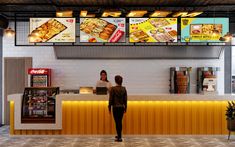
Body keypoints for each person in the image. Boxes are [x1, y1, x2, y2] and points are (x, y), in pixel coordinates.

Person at [108, 75, 127, 142]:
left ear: (116, 81)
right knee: (120, 121)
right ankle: (119, 135)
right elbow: (125, 99)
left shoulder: (113, 89)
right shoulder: (124, 88)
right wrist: (125, 108)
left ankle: (119, 137)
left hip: (115, 108)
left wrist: (109, 107)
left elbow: (110, 99)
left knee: (117, 122)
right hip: (121, 107)